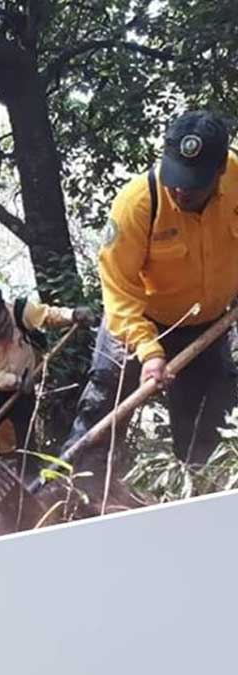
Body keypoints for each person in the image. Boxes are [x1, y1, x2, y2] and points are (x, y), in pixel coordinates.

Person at [59, 110, 238, 467]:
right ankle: (71, 495)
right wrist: (149, 350)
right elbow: (118, 289)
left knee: (208, 428)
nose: (181, 189)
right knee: (101, 412)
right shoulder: (137, 204)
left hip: (206, 325)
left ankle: (199, 502)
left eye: (194, 181)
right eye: (176, 177)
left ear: (219, 169)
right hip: (136, 323)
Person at [0, 285, 93, 465]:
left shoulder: (20, 311)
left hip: (24, 392)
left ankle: (27, 481)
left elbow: (47, 315)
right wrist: (14, 381)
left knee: (26, 441)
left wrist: (72, 315)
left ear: (2, 309)